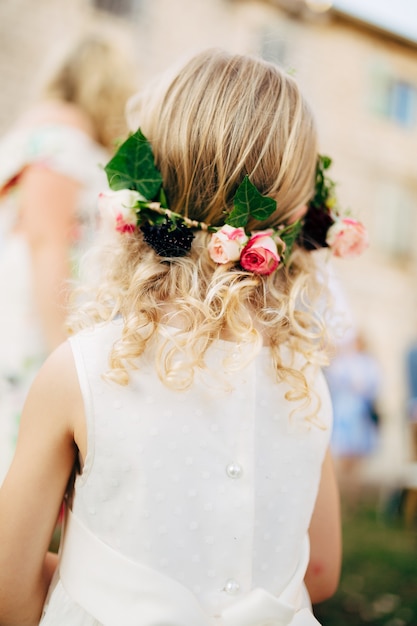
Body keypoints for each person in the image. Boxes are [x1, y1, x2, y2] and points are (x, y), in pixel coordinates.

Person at [0, 47, 370, 625]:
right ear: (301, 213)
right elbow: (319, 571)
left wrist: (93, 584)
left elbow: (8, 592)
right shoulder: (307, 385)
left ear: (144, 186)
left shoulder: (81, 372)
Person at [0, 33, 137, 483]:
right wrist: (63, 352)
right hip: (32, 317)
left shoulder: (40, 130)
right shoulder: (61, 137)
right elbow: (46, 241)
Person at [324, 333, 381, 497]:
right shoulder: (342, 363)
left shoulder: (369, 363)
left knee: (357, 456)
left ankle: (353, 494)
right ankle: (341, 494)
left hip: (360, 415)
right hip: (345, 414)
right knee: (342, 454)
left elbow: (373, 386)